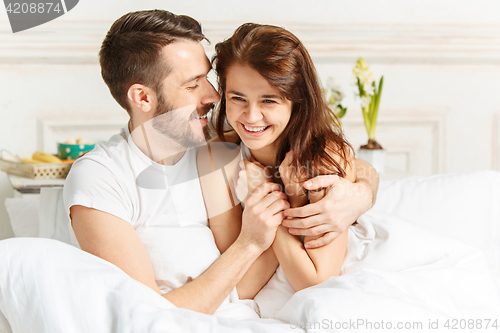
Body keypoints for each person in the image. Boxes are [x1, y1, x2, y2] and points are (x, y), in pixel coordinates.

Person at [63, 9, 378, 316]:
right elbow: (145, 314)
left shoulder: (213, 143)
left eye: (209, 79)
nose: (215, 96)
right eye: (193, 84)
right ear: (143, 98)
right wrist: (254, 238)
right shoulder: (103, 176)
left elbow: (330, 155)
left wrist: (361, 191)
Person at [198, 22, 365, 315]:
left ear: (296, 100)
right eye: (237, 98)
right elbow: (240, 283)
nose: (251, 116)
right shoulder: (216, 157)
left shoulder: (323, 156)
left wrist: (267, 198)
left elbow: (318, 284)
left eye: (268, 100)